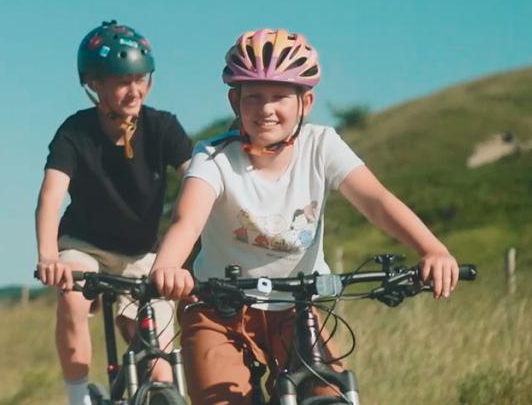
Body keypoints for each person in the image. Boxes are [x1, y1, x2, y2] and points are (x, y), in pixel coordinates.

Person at [149, 29, 461, 404]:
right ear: (236, 101)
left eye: (280, 96)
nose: (266, 109)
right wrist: (167, 267)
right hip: (219, 308)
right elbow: (188, 219)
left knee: (328, 392)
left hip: (298, 308)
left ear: (306, 101)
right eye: (254, 97)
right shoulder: (213, 156)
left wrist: (431, 248)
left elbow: (376, 200)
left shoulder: (322, 145)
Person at [35, 20, 192, 405]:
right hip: (84, 246)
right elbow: (51, 196)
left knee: (160, 369)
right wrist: (48, 256)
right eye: (122, 80)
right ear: (94, 83)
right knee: (72, 294)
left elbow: (198, 185)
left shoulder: (162, 127)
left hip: (142, 253)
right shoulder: (75, 132)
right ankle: (78, 396)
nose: (134, 89)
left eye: (141, 78)